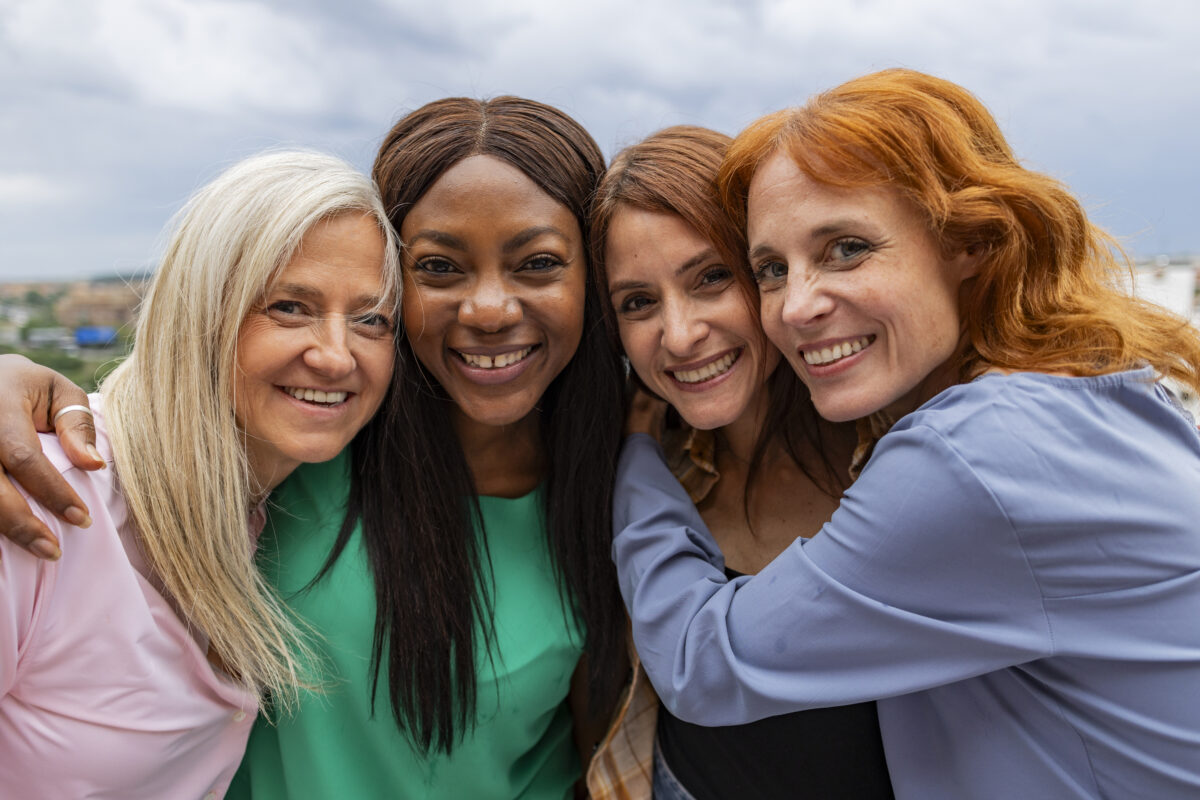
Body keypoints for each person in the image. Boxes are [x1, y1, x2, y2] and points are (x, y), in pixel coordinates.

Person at [0, 96, 628, 799]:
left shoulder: (627, 489)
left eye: (538, 262)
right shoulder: (293, 455)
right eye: (440, 268)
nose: (488, 309)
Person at [610, 69, 1200, 798]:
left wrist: (635, 458)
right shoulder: (1083, 392)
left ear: (970, 242)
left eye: (845, 248)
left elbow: (704, 665)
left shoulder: (977, 454)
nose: (795, 306)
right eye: (770, 268)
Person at [0, 149, 400, 798]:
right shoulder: (41, 501)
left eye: (370, 318)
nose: (335, 354)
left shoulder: (268, 505)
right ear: (199, 313)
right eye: (290, 306)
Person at [588, 125, 892, 799]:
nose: (680, 334)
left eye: (711, 278)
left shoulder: (898, 462)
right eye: (637, 302)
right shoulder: (646, 471)